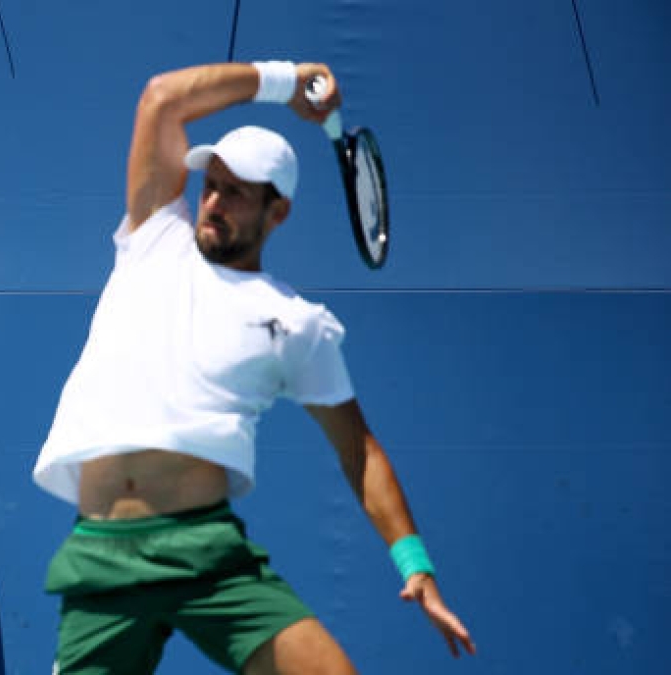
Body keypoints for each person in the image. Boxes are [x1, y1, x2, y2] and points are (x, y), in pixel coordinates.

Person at [33, 60, 476, 674]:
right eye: (210, 184)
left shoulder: (296, 323)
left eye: (237, 191)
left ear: (278, 213)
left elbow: (360, 451)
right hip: (100, 559)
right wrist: (282, 81)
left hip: (207, 555)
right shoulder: (153, 237)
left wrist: (415, 566)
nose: (213, 201)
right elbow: (161, 97)